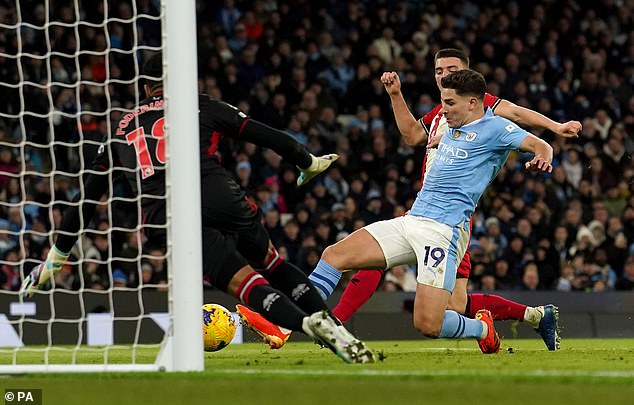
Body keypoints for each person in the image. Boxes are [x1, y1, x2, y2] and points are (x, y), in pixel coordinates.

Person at [18, 52, 374, 364]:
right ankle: (339, 331)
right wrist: (307, 162)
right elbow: (268, 136)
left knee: (243, 282)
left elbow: (86, 200)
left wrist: (54, 262)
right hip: (219, 194)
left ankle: (306, 325)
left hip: (167, 214)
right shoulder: (201, 104)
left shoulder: (121, 128)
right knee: (274, 265)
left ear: (145, 89)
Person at [324, 48, 581, 351]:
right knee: (454, 303)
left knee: (421, 294)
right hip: (425, 211)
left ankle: (330, 323)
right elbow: (409, 135)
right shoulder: (441, 113)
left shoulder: (478, 107)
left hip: (449, 221)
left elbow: (513, 112)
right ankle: (536, 316)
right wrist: (396, 95)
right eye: (438, 70)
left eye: (451, 68)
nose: (444, 74)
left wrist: (554, 128)